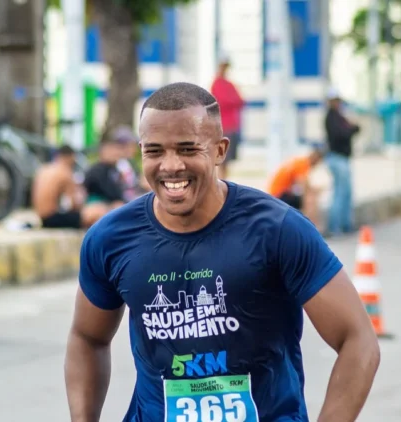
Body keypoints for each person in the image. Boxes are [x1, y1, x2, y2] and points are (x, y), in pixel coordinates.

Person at [65, 82, 380, 421]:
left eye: (187, 149)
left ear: (219, 150)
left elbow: (358, 340)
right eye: (154, 151)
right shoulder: (112, 238)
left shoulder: (277, 230)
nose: (170, 166)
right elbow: (88, 337)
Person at [31, 145, 108, 229]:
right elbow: (74, 204)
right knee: (98, 211)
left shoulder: (44, 169)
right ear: (71, 157)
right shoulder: (65, 172)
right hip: (52, 219)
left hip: (41, 217)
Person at [324, 88, 359, 236]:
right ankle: (335, 226)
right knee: (339, 192)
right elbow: (342, 134)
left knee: (346, 192)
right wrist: (351, 129)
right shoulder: (331, 118)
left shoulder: (339, 117)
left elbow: (355, 128)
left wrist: (352, 128)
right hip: (337, 158)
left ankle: (346, 224)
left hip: (343, 158)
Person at [267, 146, 326, 231]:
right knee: (310, 199)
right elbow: (303, 185)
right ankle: (309, 228)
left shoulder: (300, 161)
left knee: (308, 196)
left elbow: (304, 184)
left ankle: (308, 226)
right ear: (316, 159)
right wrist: (314, 192)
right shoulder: (303, 164)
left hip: (277, 193)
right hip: (279, 195)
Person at [210, 53, 245, 180]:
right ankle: (220, 182)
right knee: (221, 159)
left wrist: (232, 101)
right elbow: (221, 101)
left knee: (227, 161)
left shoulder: (229, 84)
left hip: (232, 126)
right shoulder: (216, 84)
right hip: (223, 127)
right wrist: (232, 101)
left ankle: (224, 182)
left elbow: (240, 101)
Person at [83, 138, 129, 207]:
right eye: (113, 153)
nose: (116, 156)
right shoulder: (97, 170)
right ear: (103, 153)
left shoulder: (113, 169)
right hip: (97, 203)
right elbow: (110, 192)